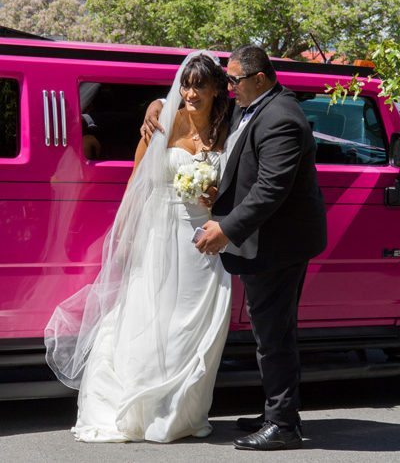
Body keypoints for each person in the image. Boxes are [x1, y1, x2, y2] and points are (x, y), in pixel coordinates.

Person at [142, 44, 327, 451]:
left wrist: (225, 229)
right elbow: (191, 101)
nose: (228, 87)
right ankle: (274, 410)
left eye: (234, 80)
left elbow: (270, 190)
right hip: (266, 241)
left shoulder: (282, 118)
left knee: (273, 335)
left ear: (259, 79)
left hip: (278, 244)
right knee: (272, 331)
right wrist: (156, 104)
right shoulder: (253, 105)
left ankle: (283, 425)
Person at [44, 52, 232, 443]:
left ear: (217, 88)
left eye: (200, 85)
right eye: (186, 84)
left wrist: (215, 192)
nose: (191, 92)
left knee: (197, 329)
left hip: (204, 238)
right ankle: (140, 411)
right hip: (159, 234)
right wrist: (126, 235)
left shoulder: (226, 130)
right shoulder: (162, 121)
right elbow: (136, 180)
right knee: (151, 319)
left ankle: (180, 414)